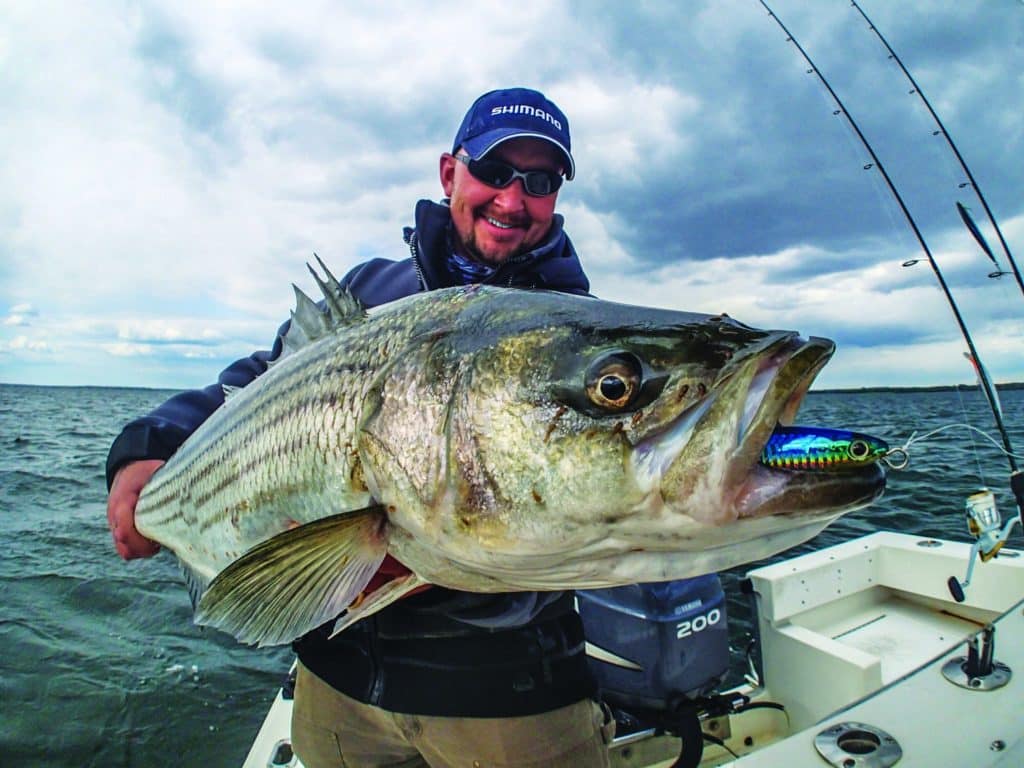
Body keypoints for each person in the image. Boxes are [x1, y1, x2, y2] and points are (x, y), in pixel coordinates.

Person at [106, 87, 615, 768]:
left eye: (540, 181)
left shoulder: (572, 335)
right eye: (494, 172)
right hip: (336, 685)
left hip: (507, 698)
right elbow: (256, 383)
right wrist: (146, 449)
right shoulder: (369, 290)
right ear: (449, 173)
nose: (512, 199)